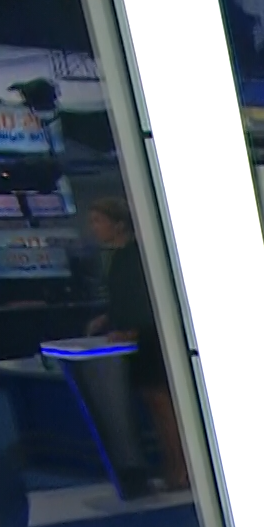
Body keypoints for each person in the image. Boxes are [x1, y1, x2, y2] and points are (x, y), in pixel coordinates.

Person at [87, 197, 188, 492]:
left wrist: (131, 329)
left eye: (98, 221)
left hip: (150, 340)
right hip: (139, 341)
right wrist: (107, 318)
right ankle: (172, 468)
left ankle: (181, 470)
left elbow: (146, 299)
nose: (93, 228)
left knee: (163, 406)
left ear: (118, 224)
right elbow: (124, 298)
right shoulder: (118, 258)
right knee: (155, 407)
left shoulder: (134, 258)